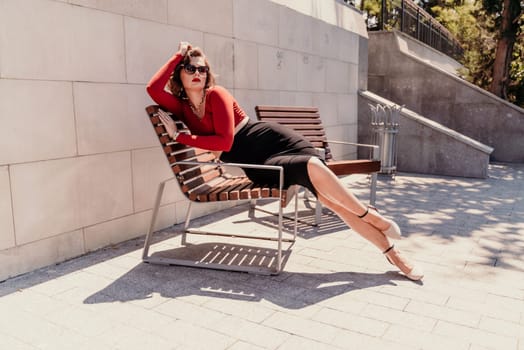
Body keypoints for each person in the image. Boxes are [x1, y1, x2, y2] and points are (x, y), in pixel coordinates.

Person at [147, 41, 424, 281]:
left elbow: (225, 143)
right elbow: (153, 89)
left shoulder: (217, 95)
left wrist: (183, 137)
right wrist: (178, 54)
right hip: (263, 166)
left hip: (275, 142)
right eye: (190, 68)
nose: (197, 73)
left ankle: (391, 251)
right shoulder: (181, 107)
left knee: (330, 199)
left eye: (202, 68)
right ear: (179, 75)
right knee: (322, 183)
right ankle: (374, 219)